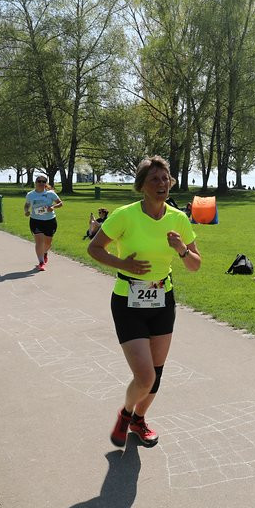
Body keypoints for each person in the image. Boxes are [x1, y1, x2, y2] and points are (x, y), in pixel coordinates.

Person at [87, 156, 200, 449]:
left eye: (166, 178)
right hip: (128, 301)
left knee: (156, 374)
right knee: (145, 375)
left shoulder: (179, 218)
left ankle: (138, 419)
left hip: (163, 300)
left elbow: (195, 265)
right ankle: (126, 414)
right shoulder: (125, 216)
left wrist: (182, 249)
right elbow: (95, 248)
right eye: (154, 179)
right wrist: (122, 262)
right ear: (142, 185)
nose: (162, 184)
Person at [24, 175, 63, 270]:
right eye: (39, 181)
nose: (41, 183)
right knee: (39, 242)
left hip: (50, 220)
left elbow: (60, 203)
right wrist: (26, 211)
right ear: (35, 183)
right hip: (36, 220)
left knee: (48, 242)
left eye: (43, 181)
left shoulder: (51, 193)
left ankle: (45, 252)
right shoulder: (30, 194)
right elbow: (27, 204)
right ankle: (41, 262)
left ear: (45, 184)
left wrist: (52, 207)